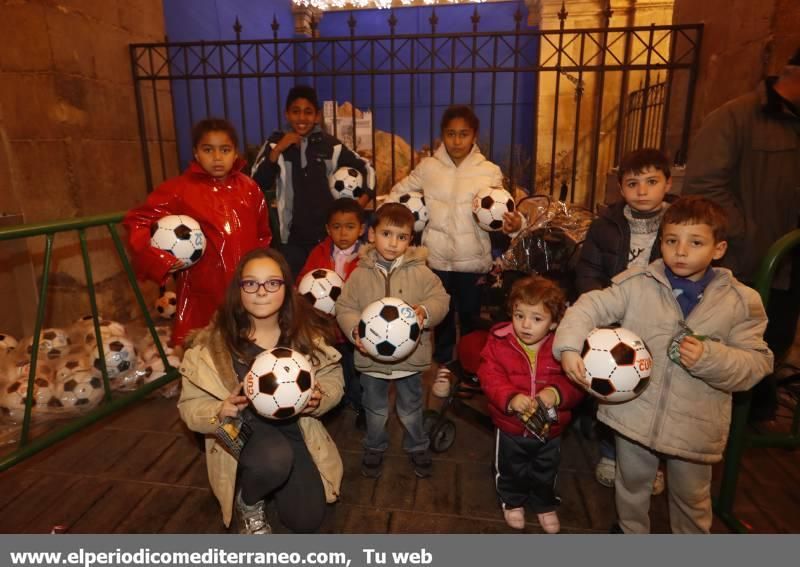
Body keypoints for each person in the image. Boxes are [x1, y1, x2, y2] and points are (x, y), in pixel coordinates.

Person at [554, 196, 774, 533]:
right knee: (630, 487)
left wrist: (710, 358)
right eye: (672, 241)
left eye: (695, 242)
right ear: (662, 243)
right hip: (634, 416)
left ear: (719, 249)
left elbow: (758, 362)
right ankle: (632, 535)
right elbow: (589, 307)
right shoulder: (637, 282)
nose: (681, 251)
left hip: (695, 425)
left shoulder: (740, 302)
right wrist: (569, 346)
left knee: (691, 499)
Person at [177, 248, 344, 534]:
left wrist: (321, 397)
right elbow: (189, 407)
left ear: (286, 289)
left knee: (306, 520)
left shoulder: (304, 336)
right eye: (251, 283)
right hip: (237, 429)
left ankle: (269, 475)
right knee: (273, 458)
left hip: (296, 428)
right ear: (239, 290)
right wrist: (219, 410)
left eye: (272, 283)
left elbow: (333, 378)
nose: (261, 291)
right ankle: (249, 500)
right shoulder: (212, 346)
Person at [683, 48, 800, 421]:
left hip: (788, 269)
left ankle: (749, 429)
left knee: (775, 339)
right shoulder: (734, 119)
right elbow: (704, 186)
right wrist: (748, 235)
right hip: (750, 263)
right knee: (736, 348)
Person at [389, 105, 525, 398]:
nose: (457, 140)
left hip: (473, 262)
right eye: (451, 134)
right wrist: (394, 219)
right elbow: (398, 193)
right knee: (443, 317)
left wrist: (514, 225)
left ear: (474, 135)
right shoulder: (428, 168)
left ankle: (471, 369)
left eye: (464, 134)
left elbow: (506, 211)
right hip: (436, 260)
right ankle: (445, 366)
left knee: (471, 317)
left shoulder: (488, 171)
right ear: (443, 135)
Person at [575, 148, 673, 493]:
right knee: (612, 387)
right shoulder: (605, 225)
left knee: (656, 392)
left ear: (668, 183)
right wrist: (601, 306)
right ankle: (610, 453)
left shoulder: (678, 224)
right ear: (620, 187)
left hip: (660, 322)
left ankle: (653, 460)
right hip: (615, 323)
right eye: (633, 183)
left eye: (651, 182)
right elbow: (587, 269)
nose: (642, 191)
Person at [124, 118, 271, 346]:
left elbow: (263, 235)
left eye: (225, 149)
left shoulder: (250, 189)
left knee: (251, 343)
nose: (217, 157)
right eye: (208, 149)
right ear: (195, 153)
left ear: (235, 153)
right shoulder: (179, 190)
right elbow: (138, 220)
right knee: (205, 351)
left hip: (247, 284)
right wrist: (160, 258)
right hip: (202, 288)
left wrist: (264, 272)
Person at [336, 203, 450, 479]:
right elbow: (345, 307)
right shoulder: (360, 273)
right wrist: (355, 333)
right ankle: (374, 446)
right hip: (371, 359)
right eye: (387, 234)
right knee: (374, 409)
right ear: (372, 235)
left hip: (409, 360)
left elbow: (441, 299)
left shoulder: (421, 271)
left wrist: (426, 311)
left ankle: (417, 445)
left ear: (411, 240)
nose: (394, 243)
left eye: (402, 237)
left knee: (411, 407)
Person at [478, 276, 584, 533]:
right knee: (509, 468)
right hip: (511, 426)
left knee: (546, 468)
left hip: (551, 429)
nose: (525, 325)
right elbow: (489, 376)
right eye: (519, 315)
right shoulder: (500, 341)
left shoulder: (564, 347)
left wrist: (556, 394)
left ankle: (544, 503)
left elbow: (577, 382)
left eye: (537, 319)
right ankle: (512, 502)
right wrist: (511, 398)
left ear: (555, 322)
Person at [250, 85, 376, 277]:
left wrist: (363, 200)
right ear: (287, 114)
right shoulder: (275, 143)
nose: (302, 118)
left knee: (327, 287)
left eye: (308, 112)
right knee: (296, 291)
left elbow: (367, 167)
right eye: (296, 112)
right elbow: (256, 183)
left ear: (317, 116)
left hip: (326, 238)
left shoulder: (330, 146)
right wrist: (277, 151)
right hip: (291, 240)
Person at [297, 199, 367, 429]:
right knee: (328, 366)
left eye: (349, 226)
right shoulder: (318, 253)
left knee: (356, 369)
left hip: (353, 327)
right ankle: (333, 402)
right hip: (324, 327)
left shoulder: (368, 257)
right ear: (328, 229)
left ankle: (361, 405)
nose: (343, 233)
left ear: (361, 229)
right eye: (336, 227)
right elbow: (303, 283)